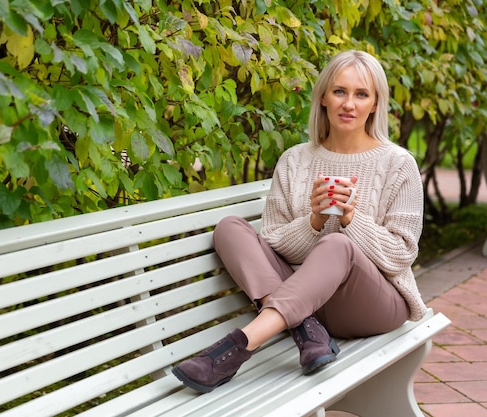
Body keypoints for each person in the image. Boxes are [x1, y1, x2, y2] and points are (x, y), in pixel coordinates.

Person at [172, 50, 427, 394]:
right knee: (230, 228)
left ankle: (236, 348)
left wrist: (352, 221)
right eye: (339, 91)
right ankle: (305, 329)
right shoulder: (295, 160)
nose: (348, 104)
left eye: (361, 94)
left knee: (338, 244)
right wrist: (315, 221)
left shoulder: (398, 164)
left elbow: (401, 254)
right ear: (323, 97)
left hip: (375, 303)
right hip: (310, 305)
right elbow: (273, 241)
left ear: (375, 103)